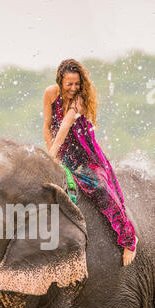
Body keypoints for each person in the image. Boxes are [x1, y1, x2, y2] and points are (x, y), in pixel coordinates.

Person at [43, 58, 137, 266]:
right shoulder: (50, 93)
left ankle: (129, 239)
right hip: (63, 152)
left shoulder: (80, 100)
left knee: (100, 188)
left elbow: (65, 126)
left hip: (84, 153)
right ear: (60, 81)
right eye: (69, 84)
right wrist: (53, 156)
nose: (73, 88)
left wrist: (51, 156)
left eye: (77, 84)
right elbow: (48, 126)